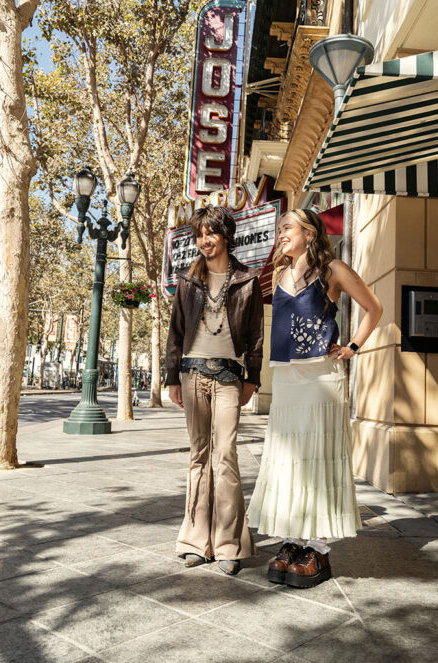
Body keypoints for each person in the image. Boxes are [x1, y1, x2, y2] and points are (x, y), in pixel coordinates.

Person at [247, 208, 382, 589]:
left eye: (287, 227)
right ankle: (293, 539)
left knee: (318, 458)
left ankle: (317, 547)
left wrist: (353, 346)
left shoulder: (333, 270)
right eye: (280, 229)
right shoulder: (278, 275)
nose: (280, 233)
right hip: (289, 379)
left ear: (309, 232)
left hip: (323, 378)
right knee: (288, 460)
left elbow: (374, 308)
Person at [165, 206, 263, 576]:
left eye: (211, 234)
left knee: (225, 456)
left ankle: (229, 544)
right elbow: (175, 332)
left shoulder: (247, 280)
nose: (205, 241)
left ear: (225, 235)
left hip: (228, 377)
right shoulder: (187, 281)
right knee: (197, 456)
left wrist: (253, 377)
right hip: (191, 375)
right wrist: (171, 376)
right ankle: (194, 541)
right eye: (199, 236)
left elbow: (255, 336)